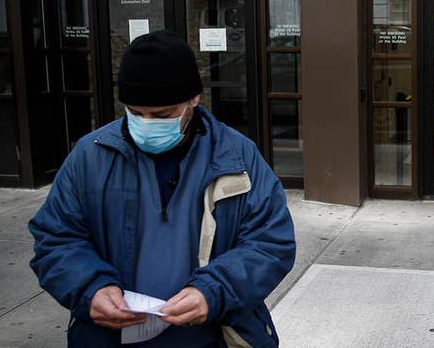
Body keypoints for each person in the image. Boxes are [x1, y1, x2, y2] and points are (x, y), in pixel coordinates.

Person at [29, 30, 296, 347]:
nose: (146, 124)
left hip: (212, 337)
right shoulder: (90, 155)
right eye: (135, 113)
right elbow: (55, 238)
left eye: (162, 115)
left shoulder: (237, 155)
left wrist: (212, 292)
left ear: (194, 99)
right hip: (108, 338)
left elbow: (270, 242)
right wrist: (91, 288)